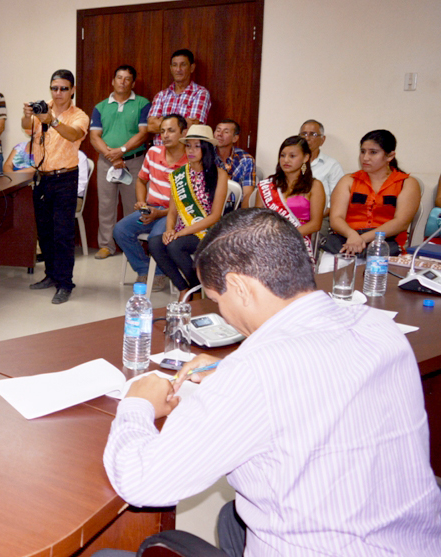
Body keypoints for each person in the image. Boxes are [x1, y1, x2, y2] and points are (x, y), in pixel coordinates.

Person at [97, 208, 441, 557]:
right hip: (415, 542)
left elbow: (143, 482)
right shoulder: (379, 328)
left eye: (216, 301)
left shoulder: (253, 373)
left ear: (240, 288)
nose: (221, 312)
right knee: (232, 517)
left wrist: (137, 403)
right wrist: (229, 367)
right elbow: (316, 370)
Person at [22, 69, 89, 305]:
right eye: (54, 88)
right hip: (42, 178)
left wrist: (53, 121)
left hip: (65, 179)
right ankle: (51, 274)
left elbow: (74, 134)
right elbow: (26, 127)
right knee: (45, 231)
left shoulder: (79, 115)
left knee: (62, 234)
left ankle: (65, 283)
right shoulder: (43, 108)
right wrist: (27, 114)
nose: (58, 93)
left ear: (72, 90)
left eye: (63, 88)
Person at [113, 114, 190, 293]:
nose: (165, 135)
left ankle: (160, 272)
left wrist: (159, 214)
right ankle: (147, 270)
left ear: (183, 132)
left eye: (171, 130)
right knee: (121, 230)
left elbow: (186, 203)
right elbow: (141, 180)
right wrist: (141, 202)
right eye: (162, 131)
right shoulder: (154, 152)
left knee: (156, 238)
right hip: (151, 210)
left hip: (175, 214)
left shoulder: (190, 160)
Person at [149, 125, 227, 301]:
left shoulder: (219, 175)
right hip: (182, 229)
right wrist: (169, 230)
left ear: (207, 148)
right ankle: (185, 288)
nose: (191, 150)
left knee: (175, 246)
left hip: (207, 231)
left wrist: (181, 232)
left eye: (197, 146)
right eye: (188, 146)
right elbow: (172, 212)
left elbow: (215, 216)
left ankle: (197, 288)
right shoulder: (179, 175)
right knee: (155, 243)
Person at [324, 129, 420, 256]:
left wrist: (362, 239)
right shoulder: (348, 181)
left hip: (387, 244)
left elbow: (401, 223)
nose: (365, 158)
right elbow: (336, 218)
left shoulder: (406, 183)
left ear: (390, 156)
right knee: (330, 265)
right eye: (363, 151)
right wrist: (352, 235)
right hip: (346, 240)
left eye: (373, 152)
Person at [89, 64, 150, 260]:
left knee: (133, 205)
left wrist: (122, 151)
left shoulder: (142, 104)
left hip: (134, 161)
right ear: (112, 81)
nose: (122, 82)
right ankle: (106, 245)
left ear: (133, 83)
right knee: (106, 205)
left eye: (127, 79)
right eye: (119, 78)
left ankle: (133, 247)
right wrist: (111, 155)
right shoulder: (100, 107)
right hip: (107, 163)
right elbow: (94, 136)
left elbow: (143, 134)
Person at [254, 136, 325, 260]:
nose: (286, 160)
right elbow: (257, 219)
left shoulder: (314, 186)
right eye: (282, 155)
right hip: (269, 242)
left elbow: (315, 224)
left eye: (292, 156)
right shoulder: (268, 185)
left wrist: (285, 236)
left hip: (299, 242)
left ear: (306, 157)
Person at [146, 49, 210, 145]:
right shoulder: (161, 95)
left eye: (183, 65)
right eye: (175, 65)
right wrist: (183, 122)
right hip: (160, 150)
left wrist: (162, 122)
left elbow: (193, 127)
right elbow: (151, 126)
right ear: (171, 68)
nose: (178, 69)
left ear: (192, 68)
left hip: (185, 151)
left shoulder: (200, 93)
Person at [299, 119, 344, 216]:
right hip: (291, 215)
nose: (307, 138)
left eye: (313, 134)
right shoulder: (292, 162)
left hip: (322, 217)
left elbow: (338, 199)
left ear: (322, 140)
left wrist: (317, 217)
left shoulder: (332, 165)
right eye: (304, 134)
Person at [212, 119, 255, 210]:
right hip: (210, 205)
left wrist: (242, 215)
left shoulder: (246, 159)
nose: (220, 134)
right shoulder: (206, 155)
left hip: (234, 208)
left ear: (235, 138)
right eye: (218, 130)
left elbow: (247, 194)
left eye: (226, 132)